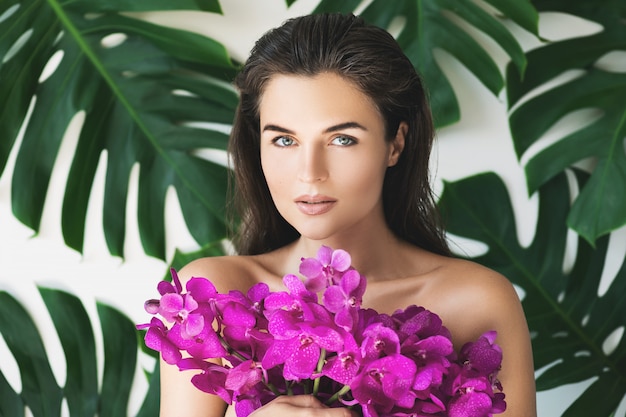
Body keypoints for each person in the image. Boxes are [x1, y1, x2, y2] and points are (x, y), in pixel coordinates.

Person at [159, 12, 536, 417]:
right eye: (284, 140)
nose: (309, 172)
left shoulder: (476, 302)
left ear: (395, 143)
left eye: (342, 139)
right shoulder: (212, 301)